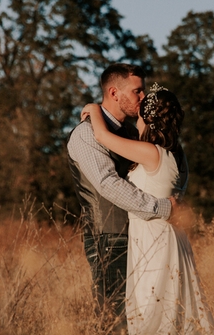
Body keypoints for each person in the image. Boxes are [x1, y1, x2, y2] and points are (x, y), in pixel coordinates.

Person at [81, 83, 214, 335]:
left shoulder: (150, 152)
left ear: (146, 117)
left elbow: (102, 136)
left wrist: (95, 109)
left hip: (153, 238)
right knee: (173, 307)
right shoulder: (177, 154)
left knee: (150, 310)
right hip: (171, 236)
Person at [67, 64, 177, 332]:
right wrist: (162, 208)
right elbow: (108, 184)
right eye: (137, 91)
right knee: (116, 321)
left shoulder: (131, 134)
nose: (144, 97)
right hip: (109, 238)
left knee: (146, 318)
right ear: (114, 93)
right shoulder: (85, 134)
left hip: (144, 237)